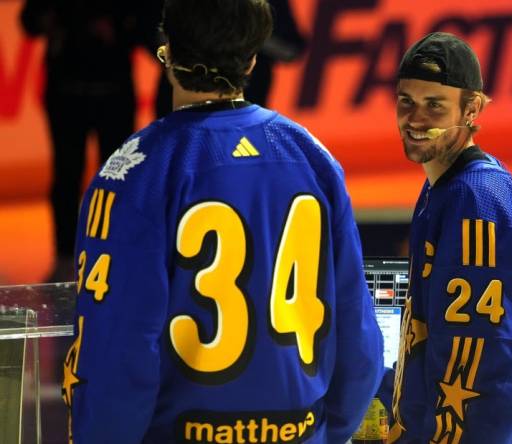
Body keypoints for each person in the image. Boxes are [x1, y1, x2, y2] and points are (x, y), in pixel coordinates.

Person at [61, 1, 383, 442]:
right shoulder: (313, 157)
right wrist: (328, 431)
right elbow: (358, 333)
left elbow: (117, 351)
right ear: (252, 58)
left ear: (166, 51)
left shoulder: (132, 172)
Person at [388, 32, 512, 443]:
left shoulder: (476, 198)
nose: (415, 119)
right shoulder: (444, 186)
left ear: (473, 108)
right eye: (407, 101)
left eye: (435, 105)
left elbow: (488, 359)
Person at [20, 0, 146, 283]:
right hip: (66, 93)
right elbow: (29, 21)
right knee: (66, 174)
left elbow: (147, 27)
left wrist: (117, 32)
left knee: (119, 180)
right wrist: (50, 21)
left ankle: (116, 251)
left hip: (113, 94)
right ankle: (65, 255)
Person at [153, 0, 306, 117]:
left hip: (248, 100)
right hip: (178, 107)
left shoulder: (144, 147)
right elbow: (150, 30)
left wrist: (238, 31)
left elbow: (291, 50)